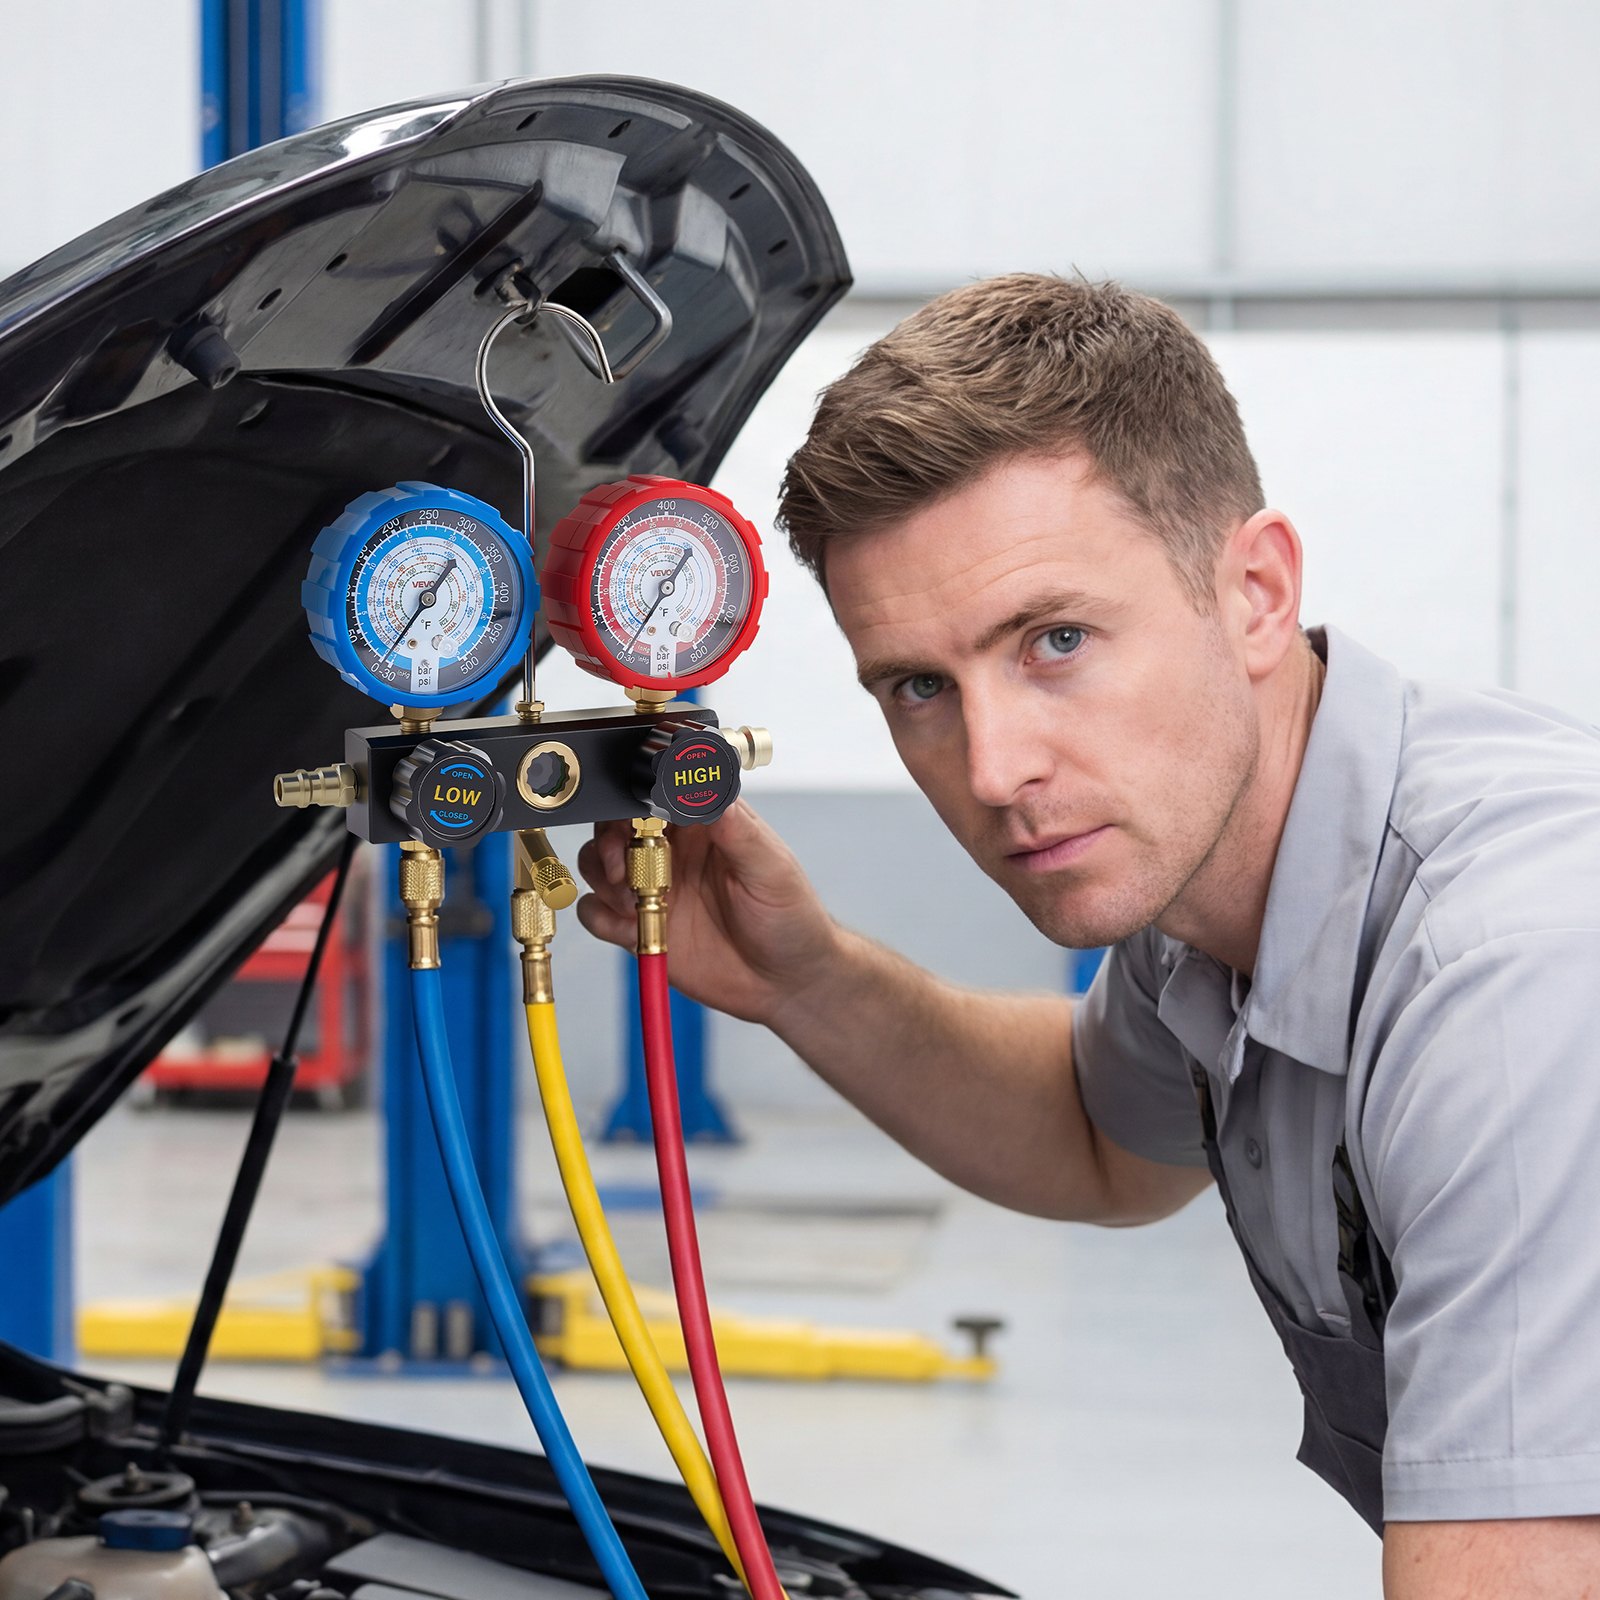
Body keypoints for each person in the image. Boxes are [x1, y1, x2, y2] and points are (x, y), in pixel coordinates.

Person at [576, 274, 1600, 1596]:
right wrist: (808, 981)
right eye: (920, 686)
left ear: (1256, 593)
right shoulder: (1211, 882)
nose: (993, 768)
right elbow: (1102, 1141)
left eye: (1056, 640)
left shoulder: (1519, 978)